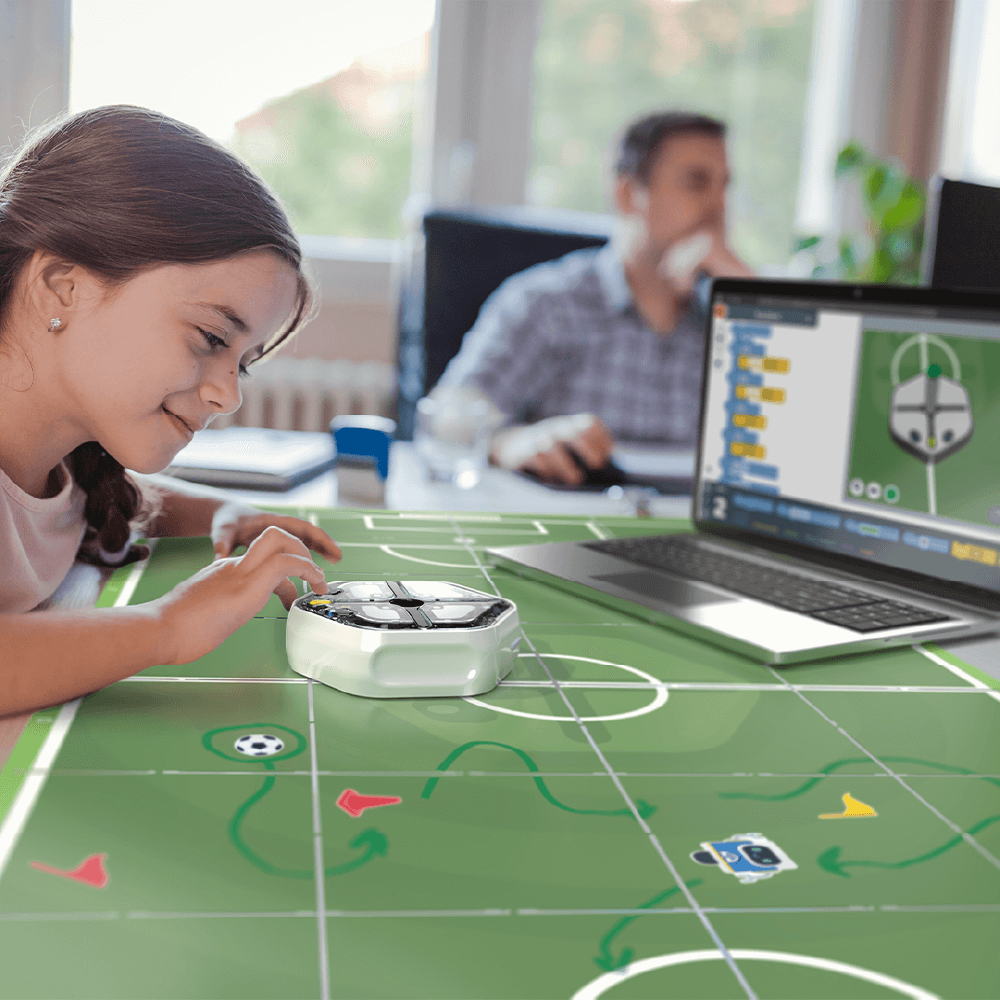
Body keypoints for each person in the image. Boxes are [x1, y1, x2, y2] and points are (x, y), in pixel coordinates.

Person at [0, 105, 341, 716]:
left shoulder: (68, 462)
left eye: (243, 362)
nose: (228, 394)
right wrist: (166, 625)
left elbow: (88, 501)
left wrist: (222, 511)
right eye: (211, 338)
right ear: (62, 286)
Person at [435, 111, 755, 485]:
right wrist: (510, 441)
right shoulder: (547, 303)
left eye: (724, 185)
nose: (718, 205)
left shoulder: (732, 315)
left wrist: (747, 293)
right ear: (627, 195)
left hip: (688, 528)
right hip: (576, 515)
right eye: (696, 182)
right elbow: (447, 416)